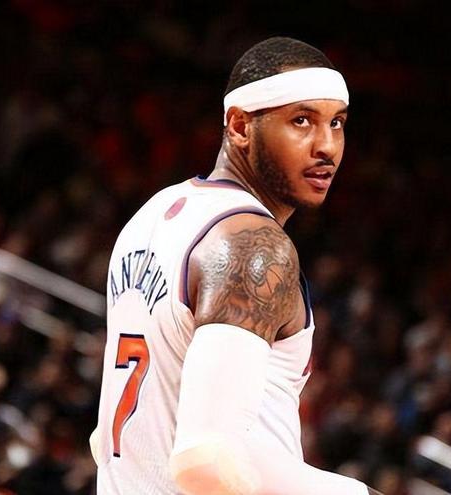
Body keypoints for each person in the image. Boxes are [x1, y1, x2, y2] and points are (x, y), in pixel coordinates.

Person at [90, 36, 382, 495]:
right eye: (301, 121)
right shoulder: (255, 247)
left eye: (337, 123)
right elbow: (206, 462)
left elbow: (111, 437)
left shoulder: (153, 215)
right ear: (240, 125)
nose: (327, 146)